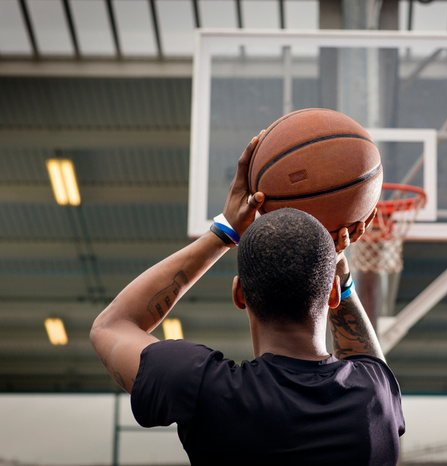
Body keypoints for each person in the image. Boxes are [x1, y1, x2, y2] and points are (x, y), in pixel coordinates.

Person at [90, 132, 405, 465]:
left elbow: (111, 325)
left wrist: (225, 231)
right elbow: (370, 363)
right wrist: (335, 264)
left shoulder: (204, 390)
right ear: (330, 295)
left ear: (240, 294)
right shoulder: (374, 399)